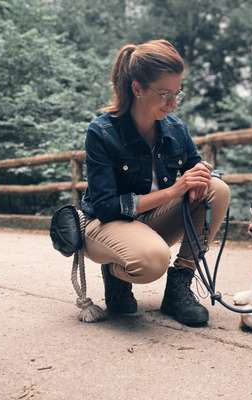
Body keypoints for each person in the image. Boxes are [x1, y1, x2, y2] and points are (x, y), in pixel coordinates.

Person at [80, 39, 230, 327]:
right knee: (151, 262)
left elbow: (194, 167)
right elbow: (107, 207)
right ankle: (115, 274)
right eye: (164, 94)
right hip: (104, 226)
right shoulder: (101, 131)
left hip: (149, 222)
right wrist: (175, 190)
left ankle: (179, 288)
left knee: (217, 188)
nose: (172, 104)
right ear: (137, 89)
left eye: (177, 94)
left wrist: (200, 173)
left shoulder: (176, 129)